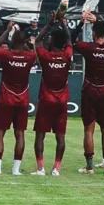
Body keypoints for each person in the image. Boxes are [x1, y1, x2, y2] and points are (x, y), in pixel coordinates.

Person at [0, 21, 37, 176]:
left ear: (12, 41)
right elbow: (36, 55)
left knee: (0, 133)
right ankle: (16, 169)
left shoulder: (7, 55)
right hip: (22, 100)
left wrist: (6, 32)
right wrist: (32, 44)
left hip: (5, 99)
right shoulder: (29, 56)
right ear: (25, 42)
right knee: (19, 133)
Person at [74, 13, 104, 175]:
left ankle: (90, 166)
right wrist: (99, 21)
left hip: (90, 91)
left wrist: (81, 24)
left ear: (93, 33)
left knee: (89, 130)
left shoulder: (89, 48)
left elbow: (71, 40)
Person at [32, 13, 73, 176]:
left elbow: (37, 41)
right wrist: (63, 23)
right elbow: (69, 39)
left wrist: (49, 23)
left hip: (46, 100)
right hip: (62, 100)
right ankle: (56, 168)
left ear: (52, 41)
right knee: (60, 136)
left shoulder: (46, 56)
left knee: (40, 135)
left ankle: (40, 168)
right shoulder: (67, 55)